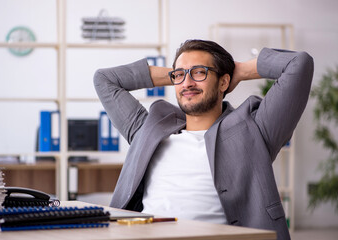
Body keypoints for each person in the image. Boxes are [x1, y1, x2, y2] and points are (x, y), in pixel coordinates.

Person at [94, 39, 314, 240]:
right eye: (179, 75)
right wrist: (182, 75)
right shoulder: (149, 129)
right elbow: (105, 80)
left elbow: (299, 64)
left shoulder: (255, 128)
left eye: (200, 72)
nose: (187, 83)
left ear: (223, 82)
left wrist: (239, 71)